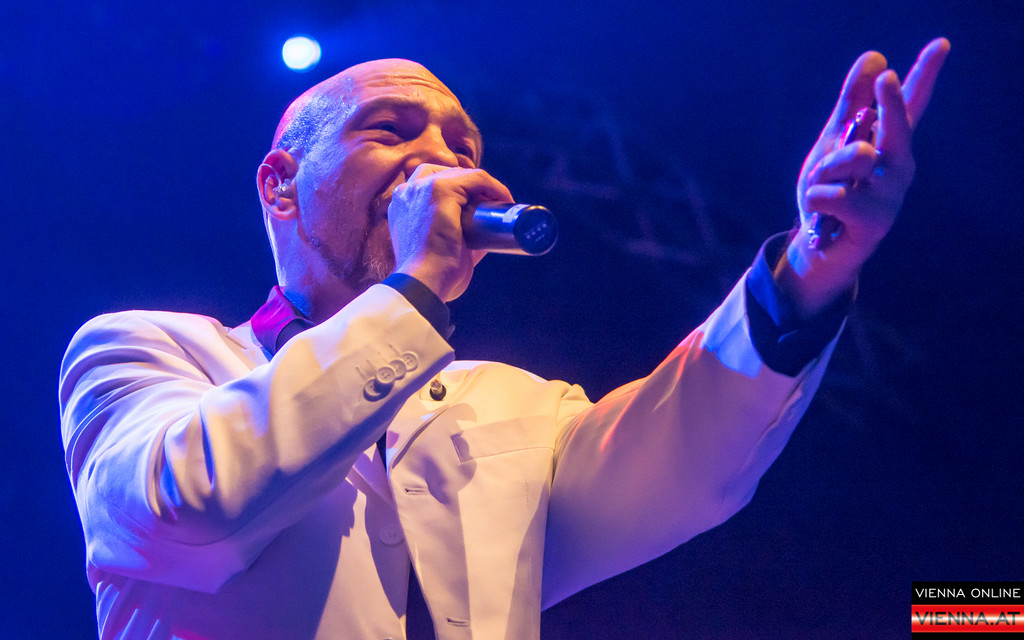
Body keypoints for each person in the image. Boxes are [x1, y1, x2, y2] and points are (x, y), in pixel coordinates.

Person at [59, 39, 949, 639]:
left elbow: (686, 454)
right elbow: (191, 514)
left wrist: (815, 261)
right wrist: (415, 290)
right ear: (281, 186)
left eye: (462, 146)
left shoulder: (514, 406)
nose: (441, 161)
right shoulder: (144, 354)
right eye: (391, 130)